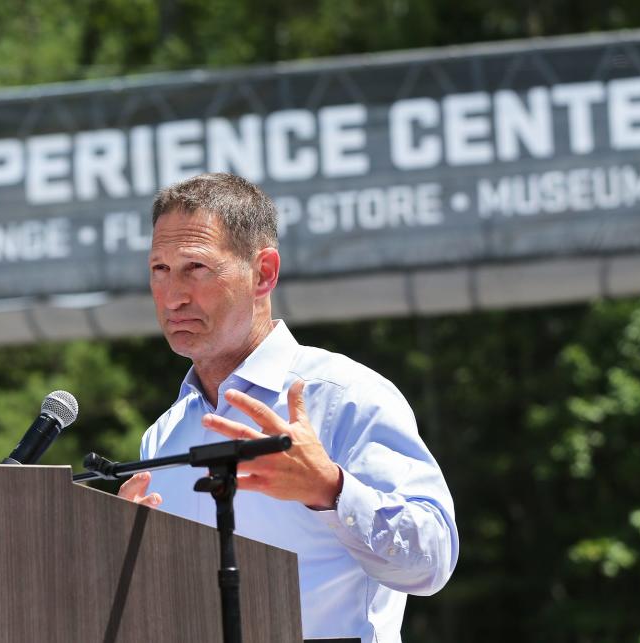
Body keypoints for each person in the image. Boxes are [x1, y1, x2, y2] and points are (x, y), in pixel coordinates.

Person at [118, 172, 458, 642]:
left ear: (264, 273)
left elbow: (431, 563)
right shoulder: (164, 435)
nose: (173, 296)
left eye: (196, 268)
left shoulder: (344, 397)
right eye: (160, 269)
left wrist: (331, 491)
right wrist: (121, 552)